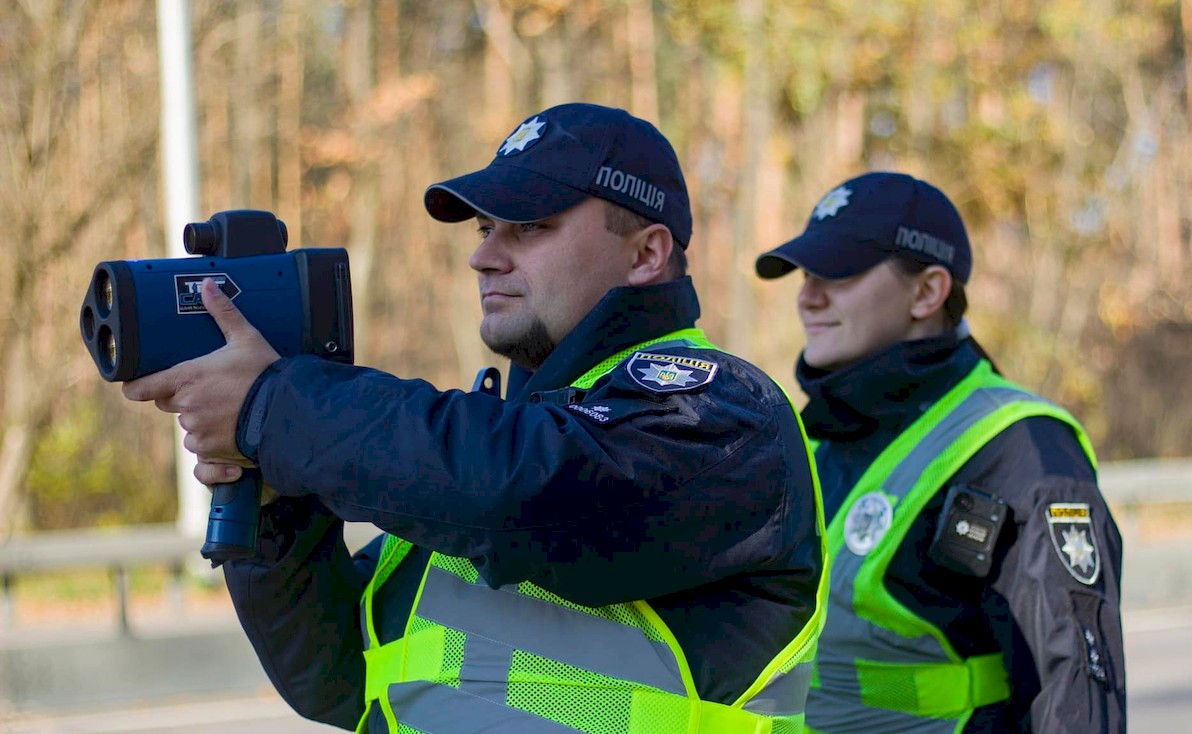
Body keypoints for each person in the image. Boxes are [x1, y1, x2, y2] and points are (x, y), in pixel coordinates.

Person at [123, 102, 828, 733]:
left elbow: (523, 494)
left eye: (528, 228)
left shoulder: (721, 414)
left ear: (646, 254)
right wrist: (279, 514)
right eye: (488, 228)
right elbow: (340, 682)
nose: (482, 256)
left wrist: (273, 406)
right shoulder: (483, 449)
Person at [755, 171, 1126, 733]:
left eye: (839, 272)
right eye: (807, 274)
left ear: (928, 292)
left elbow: (1074, 694)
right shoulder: (814, 440)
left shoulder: (1022, 447)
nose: (808, 296)